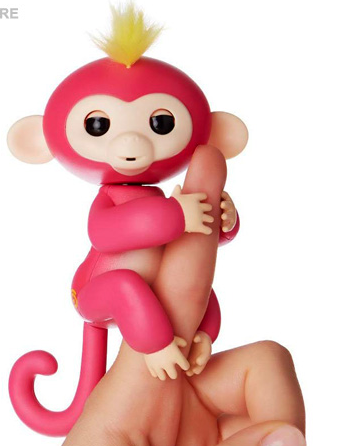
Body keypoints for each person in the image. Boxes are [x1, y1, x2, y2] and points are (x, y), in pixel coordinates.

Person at [63, 145, 306, 446]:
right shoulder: (109, 199)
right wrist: (176, 214)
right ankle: (155, 342)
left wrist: (224, 220)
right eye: (99, 126)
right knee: (128, 284)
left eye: (160, 124)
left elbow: (192, 241)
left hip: (151, 295)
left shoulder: (162, 201)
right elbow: (104, 233)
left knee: (199, 285)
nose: (133, 141)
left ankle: (200, 334)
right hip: (95, 291)